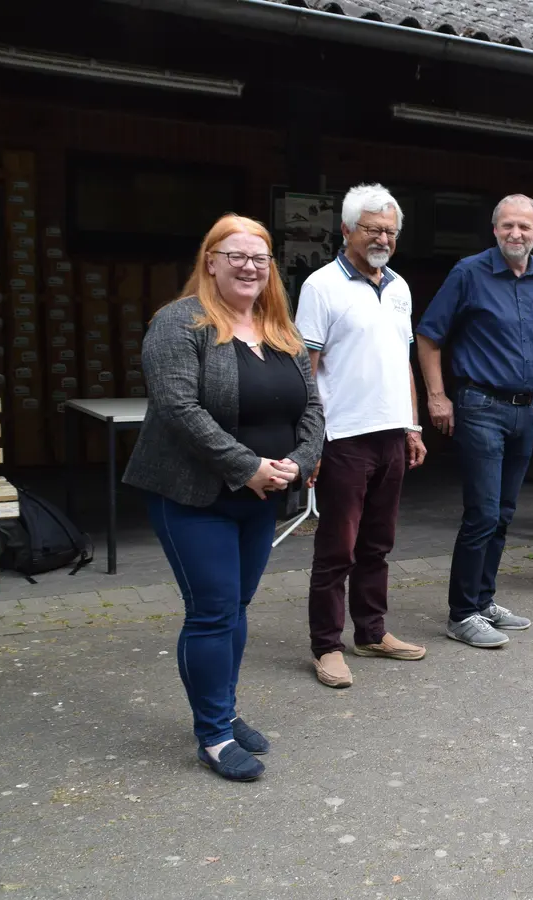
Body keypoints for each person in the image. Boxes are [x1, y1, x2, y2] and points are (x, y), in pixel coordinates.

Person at [122, 214, 324, 781]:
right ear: (210, 261)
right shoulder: (178, 323)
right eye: (235, 255)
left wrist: (300, 461)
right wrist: (247, 466)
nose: (249, 266)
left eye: (259, 258)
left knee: (236, 608)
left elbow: (311, 405)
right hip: (193, 495)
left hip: (259, 496)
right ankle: (212, 734)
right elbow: (178, 409)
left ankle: (225, 712)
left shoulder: (276, 326)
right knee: (211, 612)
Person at [297, 183, 428, 690]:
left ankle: (371, 632)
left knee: (378, 544)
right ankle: (327, 646)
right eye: (373, 229)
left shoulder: (399, 287)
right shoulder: (321, 286)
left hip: (391, 436)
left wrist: (413, 425)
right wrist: (311, 443)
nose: (383, 238)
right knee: (337, 550)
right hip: (344, 438)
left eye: (390, 231)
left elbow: (404, 362)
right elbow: (306, 371)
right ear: (347, 229)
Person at [416, 195, 533, 648]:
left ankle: (483, 599)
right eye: (507, 226)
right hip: (479, 405)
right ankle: (461, 614)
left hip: (525, 410)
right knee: (481, 512)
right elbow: (428, 335)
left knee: (504, 513)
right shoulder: (469, 272)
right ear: (494, 230)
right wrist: (436, 396)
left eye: (524, 227)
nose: (515, 234)